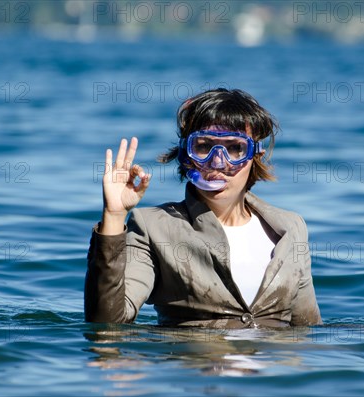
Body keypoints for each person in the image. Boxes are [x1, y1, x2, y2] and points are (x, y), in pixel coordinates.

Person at [85, 88, 321, 328]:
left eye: (234, 148)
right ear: (186, 155)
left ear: (254, 156)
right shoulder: (153, 227)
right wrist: (113, 217)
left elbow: (308, 329)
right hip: (196, 360)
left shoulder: (291, 228)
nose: (218, 162)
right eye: (204, 146)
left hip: (277, 363)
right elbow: (107, 324)